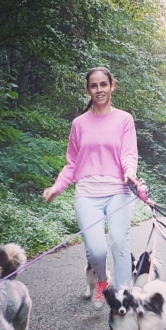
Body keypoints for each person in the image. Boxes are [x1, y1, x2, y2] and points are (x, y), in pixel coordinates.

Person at [43, 67, 138, 311]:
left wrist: (130, 172)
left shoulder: (124, 119)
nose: (99, 90)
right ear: (88, 90)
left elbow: (128, 154)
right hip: (87, 193)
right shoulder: (79, 124)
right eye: (94, 86)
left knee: (119, 242)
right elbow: (72, 163)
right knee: (95, 251)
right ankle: (102, 280)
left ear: (112, 86)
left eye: (103, 84)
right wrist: (57, 187)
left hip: (119, 190)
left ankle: (125, 295)